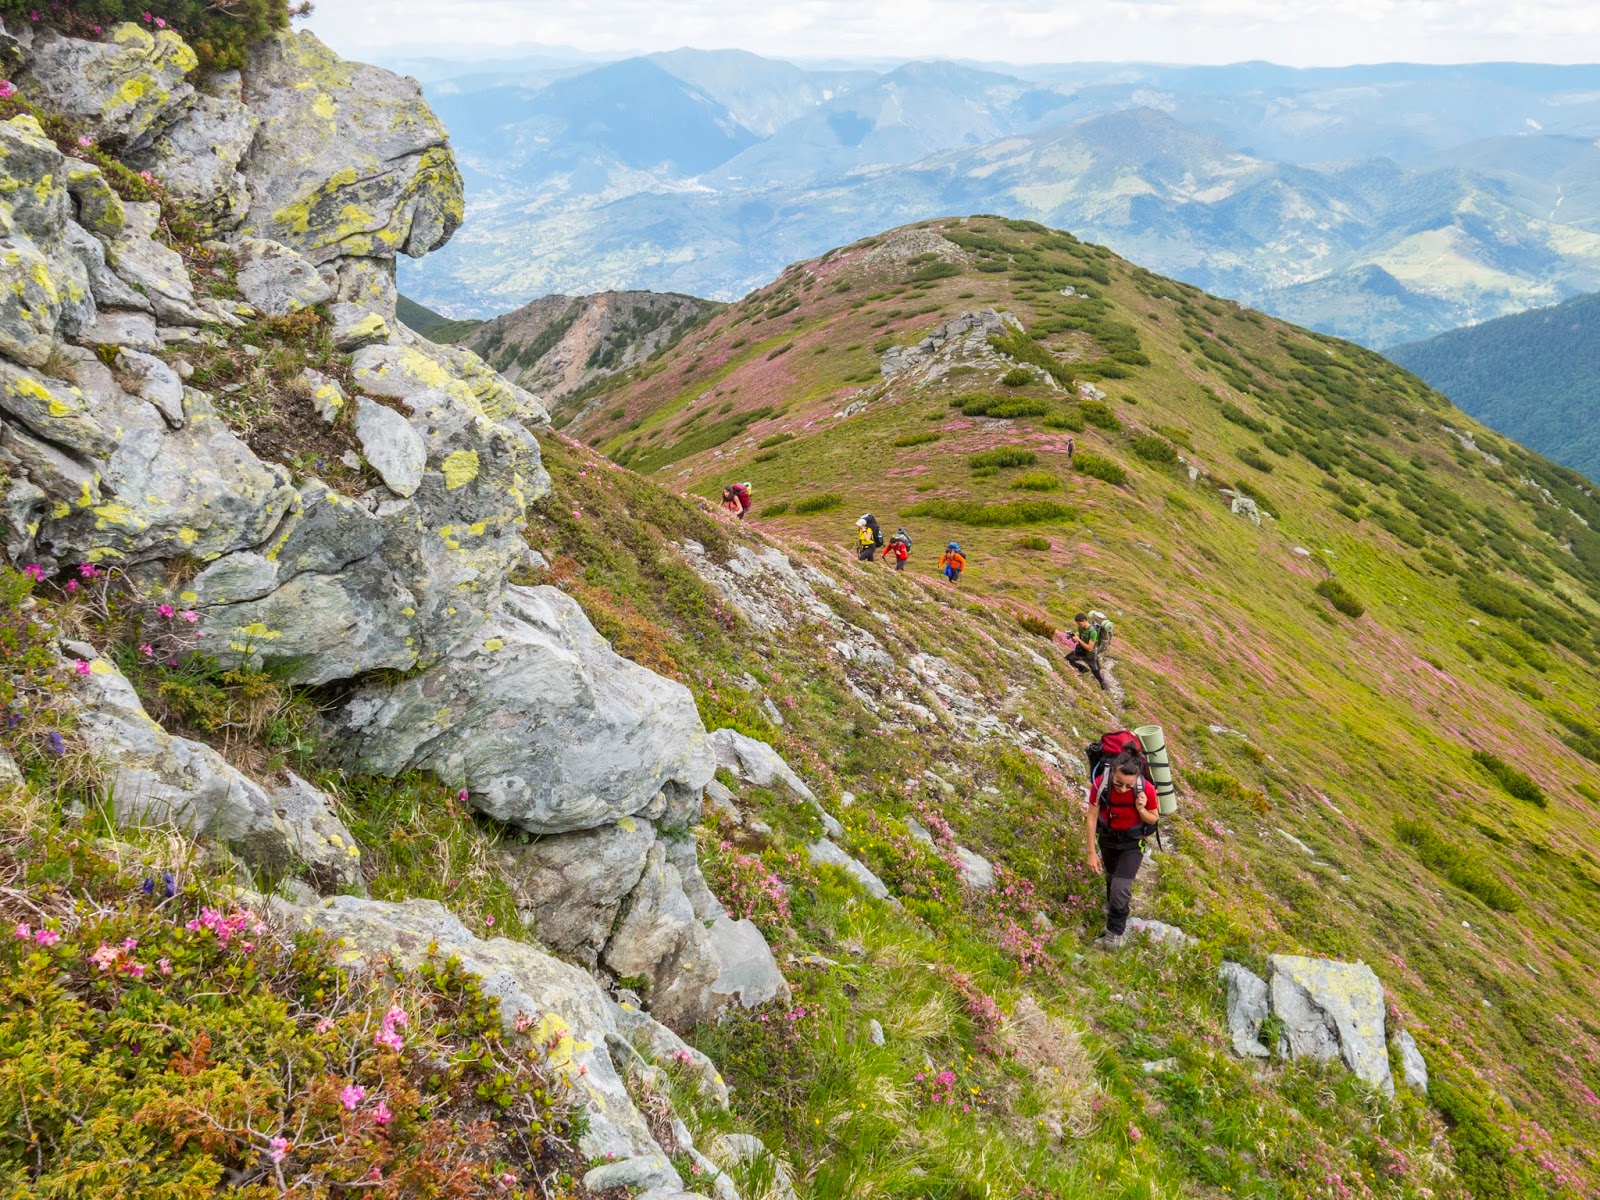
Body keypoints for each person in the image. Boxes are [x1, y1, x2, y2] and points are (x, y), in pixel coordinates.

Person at [1084, 748, 1160, 948]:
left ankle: (1114, 934)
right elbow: (1091, 817)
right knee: (1110, 877)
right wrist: (1092, 852)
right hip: (1108, 839)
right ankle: (1112, 906)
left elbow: (1154, 818)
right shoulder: (1101, 784)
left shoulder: (1147, 789)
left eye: (1129, 785)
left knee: (1120, 887)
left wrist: (1141, 809)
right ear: (1113, 774)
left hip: (1133, 844)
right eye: (1119, 783)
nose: (1123, 789)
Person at [1066, 612, 1107, 690]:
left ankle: (1103, 685)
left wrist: (1079, 640)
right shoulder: (1081, 628)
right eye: (1077, 624)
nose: (1079, 625)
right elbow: (1078, 634)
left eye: (1080, 623)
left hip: (1090, 654)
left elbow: (1090, 648)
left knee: (1095, 671)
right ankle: (1082, 668)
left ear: (1085, 620)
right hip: (1081, 651)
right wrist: (1073, 636)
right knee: (1067, 659)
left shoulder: (1093, 632)